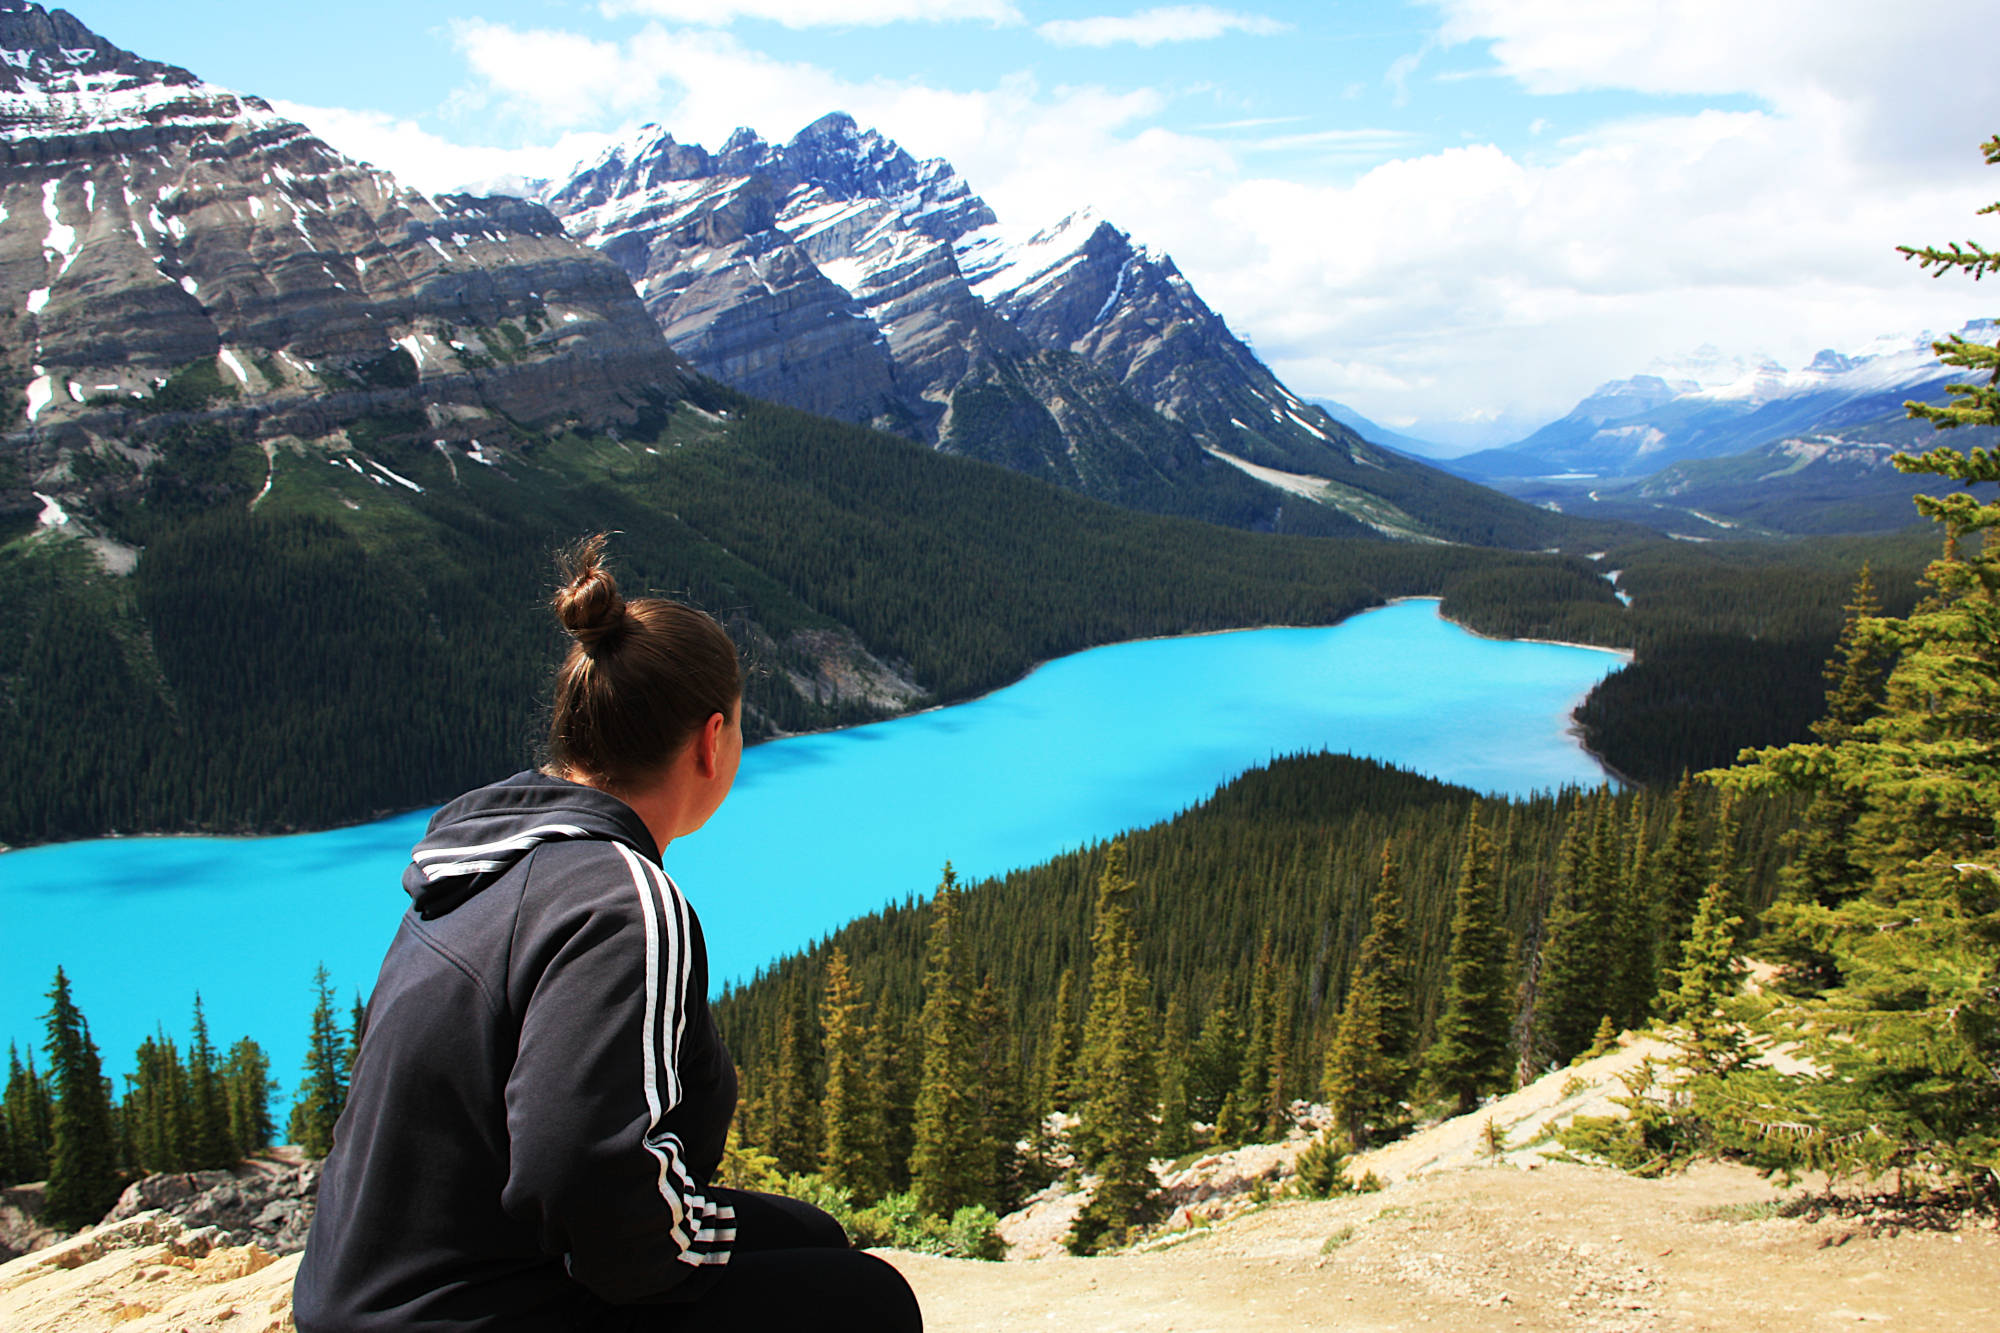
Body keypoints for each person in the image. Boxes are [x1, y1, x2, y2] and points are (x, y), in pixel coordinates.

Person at [294, 534, 923, 1332]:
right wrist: (673, 1257)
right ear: (711, 740)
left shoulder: (480, 861)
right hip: (469, 1310)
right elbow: (579, 1165)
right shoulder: (622, 901)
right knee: (870, 1303)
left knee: (813, 1238)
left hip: (369, 1294)